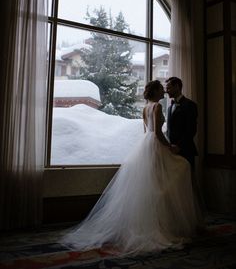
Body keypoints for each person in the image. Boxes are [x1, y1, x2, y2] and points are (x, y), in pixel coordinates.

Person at [61, 80, 203, 255]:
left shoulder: (145, 108)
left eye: (167, 88)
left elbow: (147, 131)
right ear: (156, 92)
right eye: (161, 89)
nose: (164, 91)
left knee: (155, 183)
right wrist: (168, 147)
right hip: (158, 144)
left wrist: (154, 145)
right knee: (175, 172)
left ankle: (172, 221)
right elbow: (158, 133)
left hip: (147, 144)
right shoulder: (158, 107)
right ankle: (164, 223)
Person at [165, 77, 198, 170]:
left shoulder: (190, 105)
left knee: (188, 181)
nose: (166, 91)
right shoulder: (169, 108)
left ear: (177, 87)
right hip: (171, 151)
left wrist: (179, 146)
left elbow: (191, 129)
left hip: (185, 150)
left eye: (168, 88)